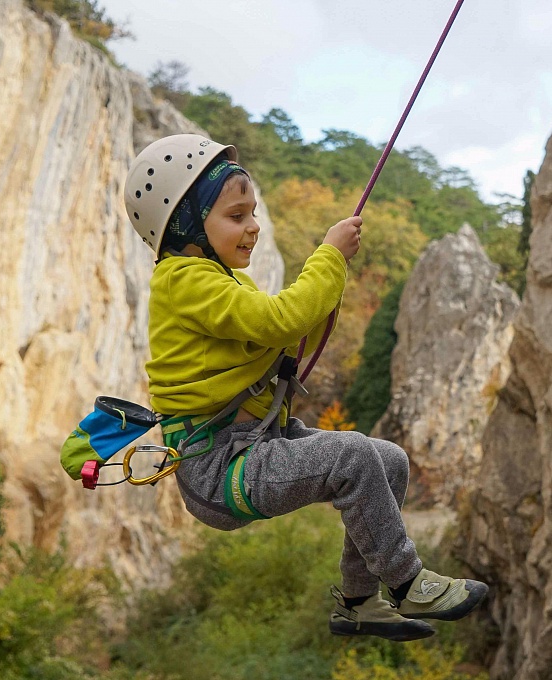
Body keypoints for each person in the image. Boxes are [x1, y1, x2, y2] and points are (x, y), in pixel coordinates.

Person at [124, 134, 488, 642]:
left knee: (388, 460)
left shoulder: (223, 282)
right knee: (352, 456)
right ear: (186, 225)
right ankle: (406, 582)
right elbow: (282, 319)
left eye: (252, 214)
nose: (253, 227)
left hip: (254, 443)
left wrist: (326, 288)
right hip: (218, 465)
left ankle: (360, 602)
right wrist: (328, 257)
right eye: (236, 216)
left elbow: (288, 335)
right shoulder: (183, 280)